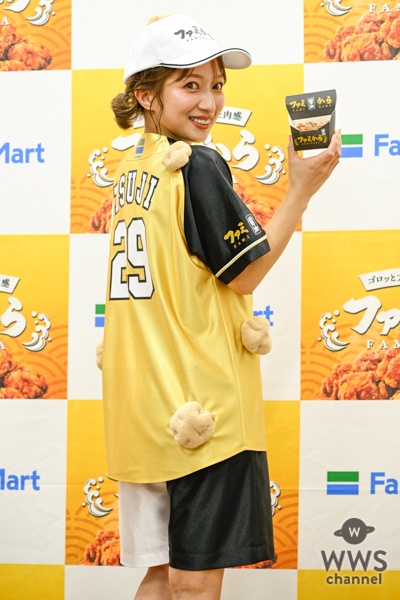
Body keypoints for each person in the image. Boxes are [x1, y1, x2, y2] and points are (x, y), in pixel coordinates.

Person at [102, 13, 341, 600]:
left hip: (143, 412)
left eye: (216, 85)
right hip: (203, 414)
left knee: (161, 576)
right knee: (194, 583)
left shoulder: (131, 169)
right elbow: (247, 273)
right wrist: (300, 190)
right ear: (146, 95)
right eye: (190, 85)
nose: (208, 102)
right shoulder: (197, 164)